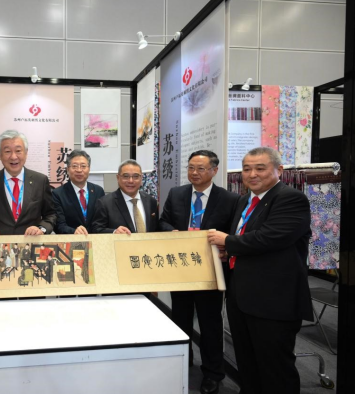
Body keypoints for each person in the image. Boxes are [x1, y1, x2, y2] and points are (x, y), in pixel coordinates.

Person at [207, 147, 313, 394]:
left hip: (273, 302)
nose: (252, 174)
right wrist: (230, 252)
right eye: (247, 169)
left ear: (279, 170)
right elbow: (247, 237)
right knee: (247, 362)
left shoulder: (290, 198)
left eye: (260, 168)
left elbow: (271, 238)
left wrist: (227, 241)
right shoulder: (245, 200)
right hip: (241, 297)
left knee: (275, 368)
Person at [159, 150, 239, 394]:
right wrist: (171, 231)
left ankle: (213, 373)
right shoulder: (177, 193)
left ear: (214, 170)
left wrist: (225, 246)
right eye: (191, 168)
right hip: (182, 269)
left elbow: (234, 233)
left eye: (200, 168)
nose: (194, 173)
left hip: (210, 270)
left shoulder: (229, 199)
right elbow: (163, 221)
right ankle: (183, 363)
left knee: (210, 323)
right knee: (180, 319)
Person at [0, 130, 56, 237]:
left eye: (18, 151)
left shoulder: (40, 181)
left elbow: (50, 214)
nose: (13, 157)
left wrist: (41, 229)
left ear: (26, 153)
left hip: (31, 242)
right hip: (0, 242)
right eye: (7, 151)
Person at [92, 160, 159, 234]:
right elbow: (96, 229)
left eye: (136, 176)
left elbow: (156, 229)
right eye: (126, 176)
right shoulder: (105, 203)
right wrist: (114, 232)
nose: (131, 181)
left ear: (141, 178)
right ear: (118, 178)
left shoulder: (151, 201)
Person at [52, 150, 105, 234]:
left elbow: (102, 221)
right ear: (68, 169)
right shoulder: (57, 194)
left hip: (95, 239)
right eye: (74, 166)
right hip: (70, 239)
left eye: (83, 166)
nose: (79, 170)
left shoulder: (98, 191)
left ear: (89, 169)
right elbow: (59, 225)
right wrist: (74, 231)